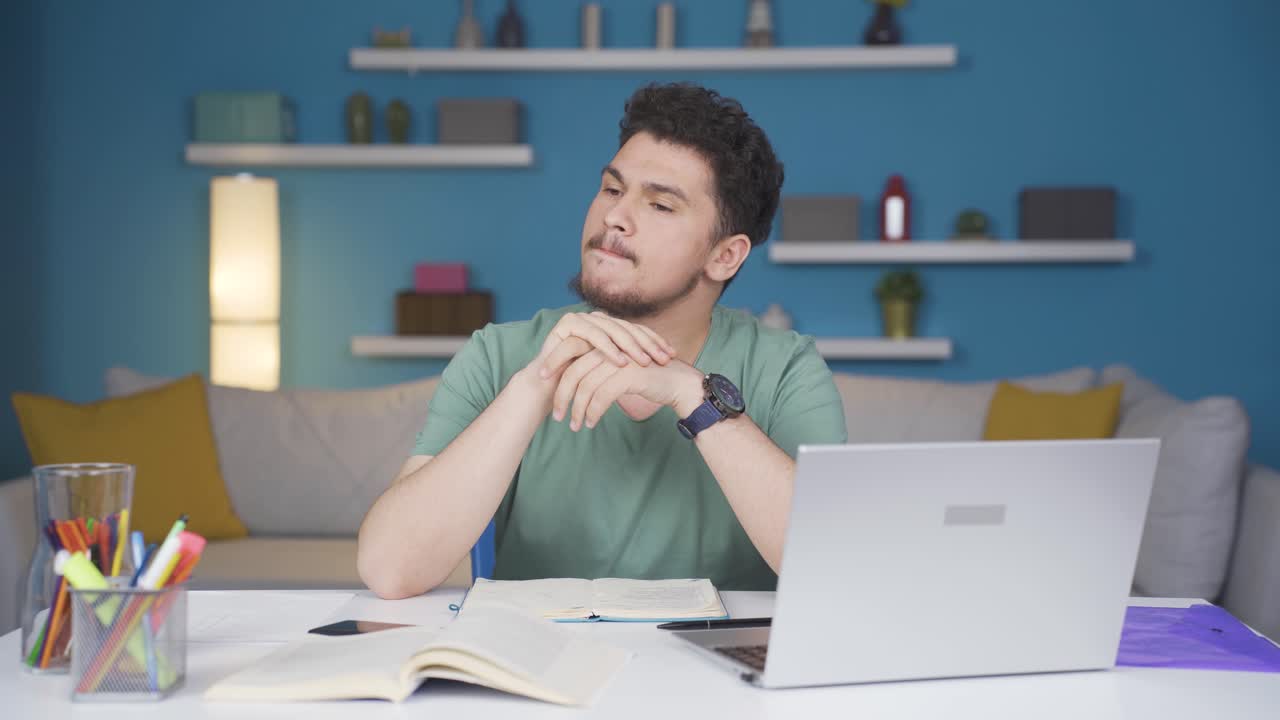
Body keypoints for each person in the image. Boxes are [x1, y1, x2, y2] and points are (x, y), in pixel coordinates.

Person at [358, 83, 847, 599]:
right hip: (538, 662)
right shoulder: (499, 355)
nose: (615, 216)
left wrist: (694, 397)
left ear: (725, 256)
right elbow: (391, 571)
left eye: (659, 205)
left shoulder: (788, 367)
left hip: (716, 670)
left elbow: (832, 568)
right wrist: (533, 385)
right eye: (613, 190)